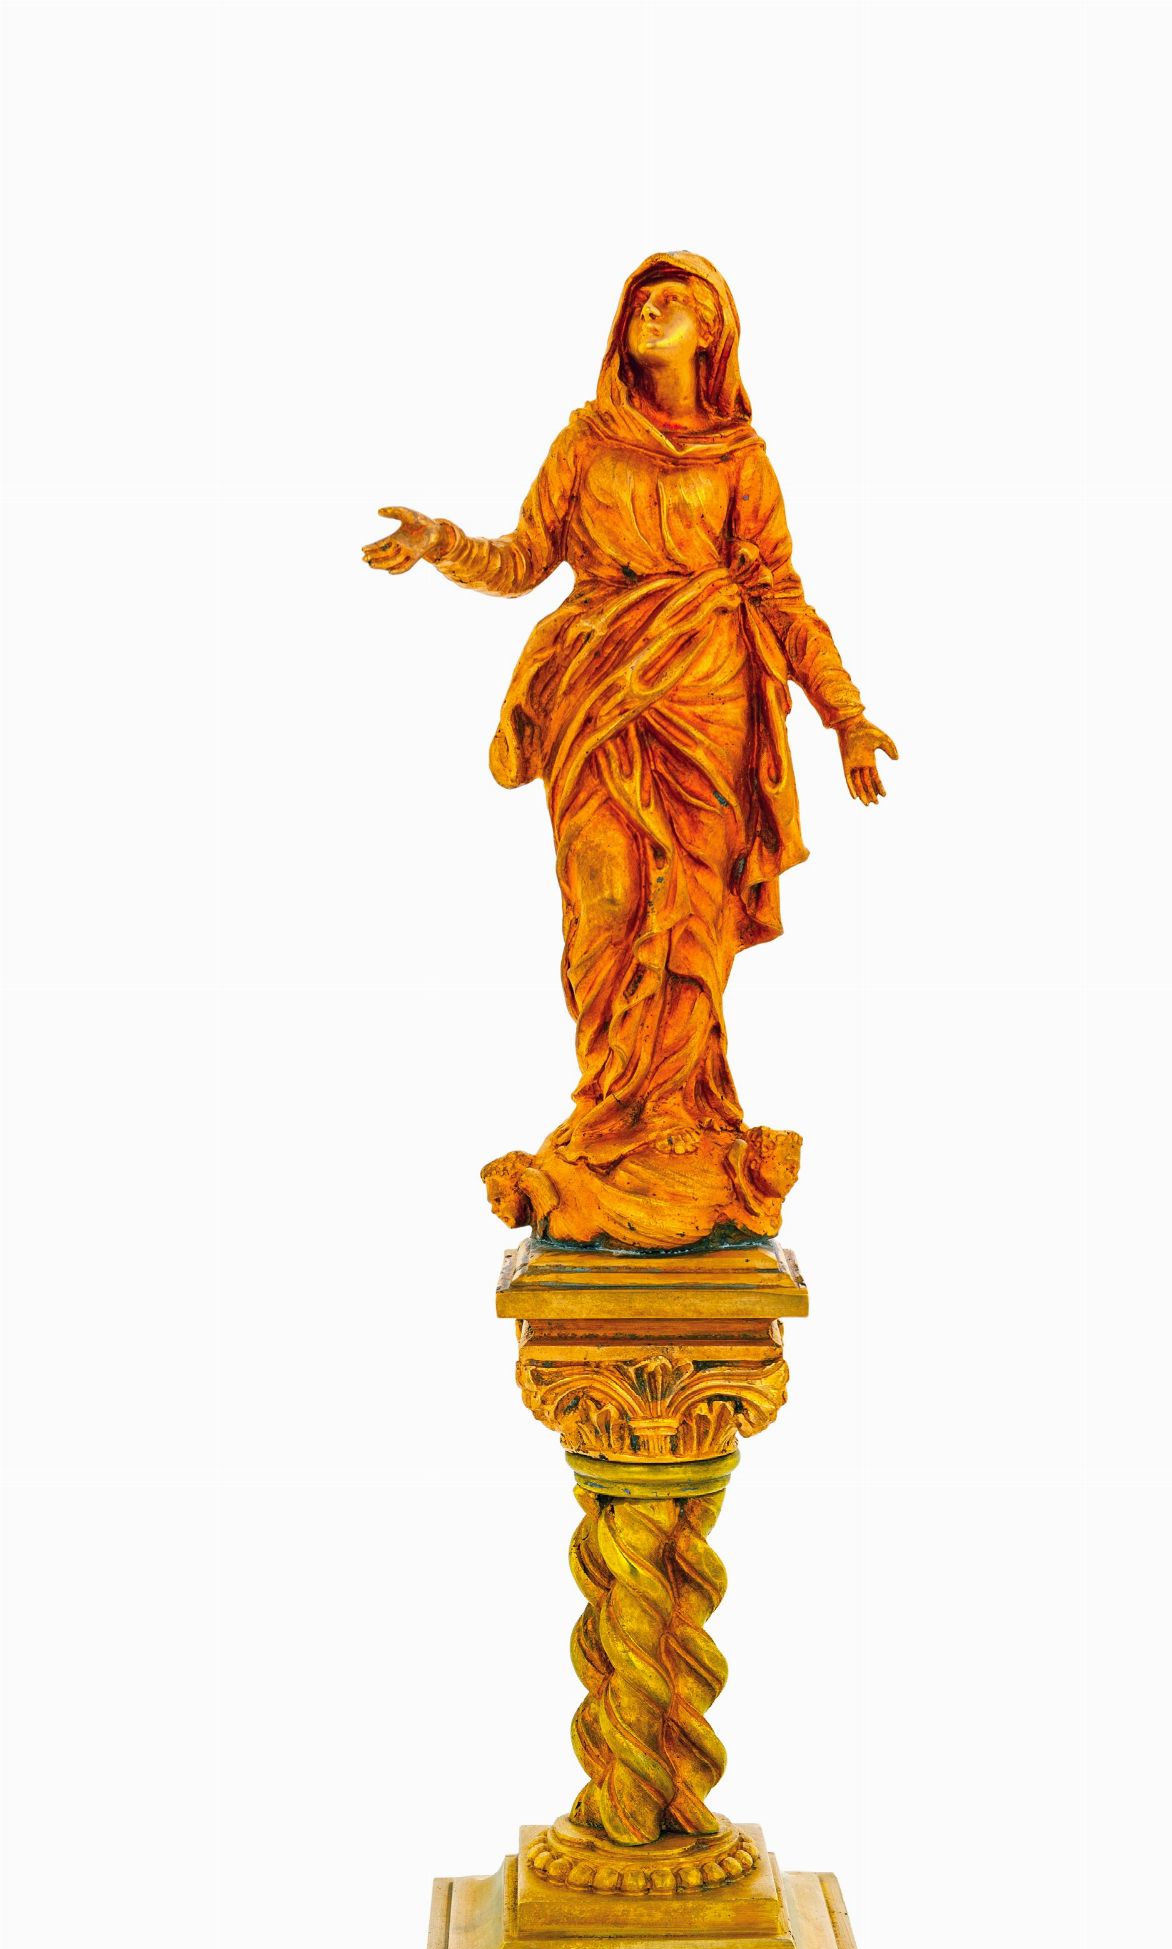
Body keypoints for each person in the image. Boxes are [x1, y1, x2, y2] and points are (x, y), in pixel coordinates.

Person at [363, 251, 897, 1248]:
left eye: (674, 302)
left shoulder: (739, 460)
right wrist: (441, 543)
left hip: (708, 710)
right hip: (597, 702)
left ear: (712, 333)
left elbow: (780, 595)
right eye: (641, 302)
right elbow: (523, 559)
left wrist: (846, 715)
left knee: (691, 919)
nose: (651, 312)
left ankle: (680, 1126)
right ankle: (610, 1116)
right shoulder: (586, 443)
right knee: (604, 908)